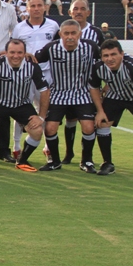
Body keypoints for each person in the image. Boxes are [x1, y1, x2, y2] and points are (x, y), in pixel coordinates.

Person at [34, 19, 101, 173]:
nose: (70, 37)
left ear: (80, 34)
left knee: (88, 126)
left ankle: (87, 161)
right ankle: (54, 161)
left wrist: (105, 86)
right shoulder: (51, 48)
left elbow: (105, 63)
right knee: (50, 128)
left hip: (82, 92)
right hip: (58, 93)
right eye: (66, 33)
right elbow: (34, 61)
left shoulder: (90, 47)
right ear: (60, 34)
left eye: (73, 33)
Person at [0, 39, 50, 173]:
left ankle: (22, 161)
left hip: (21, 104)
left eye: (19, 52)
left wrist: (41, 116)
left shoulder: (32, 65)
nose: (15, 56)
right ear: (6, 53)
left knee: (37, 130)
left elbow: (45, 90)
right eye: (12, 52)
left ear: (24, 53)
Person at [90, 39, 133, 178]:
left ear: (121, 54)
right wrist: (100, 111)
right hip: (115, 95)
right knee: (102, 123)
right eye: (106, 56)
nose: (110, 59)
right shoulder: (98, 67)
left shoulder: (132, 65)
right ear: (101, 57)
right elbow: (94, 88)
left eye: (113, 54)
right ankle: (107, 163)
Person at [11, 0, 60, 162]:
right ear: (28, 8)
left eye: (40, 5)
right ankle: (16, 147)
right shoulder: (19, 28)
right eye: (33, 6)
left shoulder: (53, 26)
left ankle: (48, 148)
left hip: (46, 74)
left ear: (45, 7)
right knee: (19, 110)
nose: (36, 9)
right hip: (24, 75)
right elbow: (13, 50)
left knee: (44, 111)